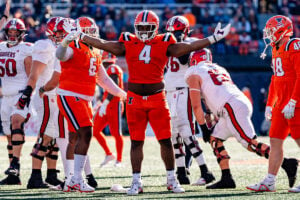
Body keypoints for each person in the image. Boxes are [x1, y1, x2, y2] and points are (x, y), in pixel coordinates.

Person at [64, 10, 230, 195]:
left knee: (166, 141)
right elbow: (104, 44)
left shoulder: (164, 41)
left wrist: (212, 38)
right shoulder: (128, 40)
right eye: (140, 28)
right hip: (135, 99)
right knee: (136, 143)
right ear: (135, 28)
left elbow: (186, 48)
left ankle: (172, 179)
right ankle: (136, 181)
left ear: (155, 28)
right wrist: (82, 36)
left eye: (147, 27)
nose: (143, 31)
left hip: (157, 98)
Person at [185, 48, 298, 189]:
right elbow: (209, 97)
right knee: (215, 139)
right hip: (233, 104)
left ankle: (287, 163)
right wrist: (208, 119)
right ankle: (227, 178)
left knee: (249, 143)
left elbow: (196, 106)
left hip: (230, 107)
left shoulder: (193, 73)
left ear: (194, 59)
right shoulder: (218, 69)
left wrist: (203, 128)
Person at [55, 16, 126, 193]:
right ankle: (78, 179)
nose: (91, 34)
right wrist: (65, 41)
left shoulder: (95, 50)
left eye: (92, 31)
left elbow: (102, 78)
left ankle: (71, 179)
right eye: (87, 31)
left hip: (84, 98)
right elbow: (60, 55)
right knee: (86, 132)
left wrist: (121, 93)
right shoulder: (74, 45)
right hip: (70, 95)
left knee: (74, 138)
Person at [247, 15, 300, 192]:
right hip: (281, 105)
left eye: (271, 31)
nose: (268, 35)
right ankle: (270, 181)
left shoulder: (293, 45)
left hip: (296, 104)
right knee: (275, 142)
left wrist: (293, 101)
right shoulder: (276, 48)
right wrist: (270, 104)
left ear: (282, 30)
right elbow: (275, 79)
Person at [164, 15, 215, 185]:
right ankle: (181, 172)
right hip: (169, 91)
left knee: (186, 131)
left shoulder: (193, 43)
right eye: (172, 31)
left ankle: (204, 170)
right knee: (174, 134)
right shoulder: (165, 42)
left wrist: (180, 43)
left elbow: (184, 59)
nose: (174, 34)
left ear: (185, 30)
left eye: (177, 31)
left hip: (184, 90)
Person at [19, 16, 64, 189]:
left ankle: (52, 175)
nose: (62, 35)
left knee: (53, 136)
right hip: (45, 95)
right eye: (60, 32)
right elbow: (34, 73)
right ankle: (35, 177)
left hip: (55, 96)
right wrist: (28, 92)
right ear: (52, 32)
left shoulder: (58, 47)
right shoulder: (45, 46)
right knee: (45, 135)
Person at [0, 18, 33, 185]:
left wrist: (28, 94)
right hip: (5, 96)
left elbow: (31, 75)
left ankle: (14, 164)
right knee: (8, 135)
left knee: (16, 123)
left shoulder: (26, 50)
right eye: (10, 32)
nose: (12, 35)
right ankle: (14, 176)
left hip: (21, 93)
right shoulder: (0, 47)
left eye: (16, 32)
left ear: (22, 34)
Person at [93, 51, 124, 167]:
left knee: (116, 132)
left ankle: (119, 160)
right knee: (95, 130)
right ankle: (109, 154)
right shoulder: (106, 70)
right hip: (106, 104)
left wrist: (105, 103)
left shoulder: (113, 69)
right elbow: (107, 90)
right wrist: (102, 102)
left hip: (114, 104)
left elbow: (114, 89)